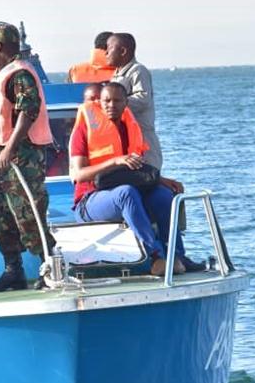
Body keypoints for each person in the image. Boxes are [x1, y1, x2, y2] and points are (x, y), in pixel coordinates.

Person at [69, 82, 193, 276]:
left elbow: (135, 168)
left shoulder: (129, 126)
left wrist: (162, 180)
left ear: (126, 102)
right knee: (126, 193)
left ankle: (178, 256)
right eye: (107, 100)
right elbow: (78, 174)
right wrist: (115, 161)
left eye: (117, 100)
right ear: (100, 103)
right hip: (89, 201)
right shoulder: (83, 129)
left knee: (163, 195)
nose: (112, 105)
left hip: (128, 191)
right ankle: (155, 256)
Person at [0, 23, 56, 292]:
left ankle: (51, 267)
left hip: (20, 156)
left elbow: (27, 112)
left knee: (28, 213)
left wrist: (10, 148)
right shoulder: (0, 76)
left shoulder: (20, 74)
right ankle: (13, 271)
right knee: (3, 217)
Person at [105, 32, 162, 171]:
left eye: (109, 48)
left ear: (123, 51)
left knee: (148, 174)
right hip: (127, 139)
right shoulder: (117, 75)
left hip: (143, 139)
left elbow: (143, 99)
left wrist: (115, 104)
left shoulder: (137, 71)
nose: (106, 52)